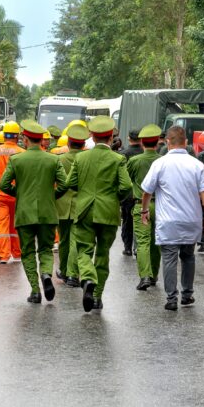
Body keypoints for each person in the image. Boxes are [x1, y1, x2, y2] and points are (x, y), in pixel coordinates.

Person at [57, 115, 133, 312]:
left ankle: (88, 278)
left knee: (83, 250)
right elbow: (126, 187)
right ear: (111, 137)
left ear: (92, 137)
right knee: (103, 253)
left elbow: (70, 183)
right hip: (108, 212)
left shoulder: (81, 157)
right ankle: (97, 296)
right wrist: (114, 198)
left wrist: (84, 191)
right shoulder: (118, 159)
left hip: (84, 211)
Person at [140, 126, 204, 311]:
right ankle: (187, 295)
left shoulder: (160, 164)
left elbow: (147, 191)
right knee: (188, 256)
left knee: (169, 259)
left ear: (167, 142)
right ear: (186, 142)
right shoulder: (197, 164)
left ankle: (171, 298)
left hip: (168, 221)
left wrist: (144, 210)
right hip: (191, 220)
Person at [0, 120, 64, 304]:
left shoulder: (16, 160)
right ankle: (46, 274)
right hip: (47, 213)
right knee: (45, 249)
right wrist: (52, 196)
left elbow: (3, 184)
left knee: (27, 252)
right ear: (41, 140)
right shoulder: (53, 159)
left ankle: (35, 291)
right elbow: (65, 184)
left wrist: (19, 194)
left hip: (25, 213)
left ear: (25, 140)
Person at [127, 125, 163, 291]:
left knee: (142, 242)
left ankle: (145, 276)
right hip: (161, 206)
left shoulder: (134, 161)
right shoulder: (163, 161)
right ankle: (154, 275)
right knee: (156, 242)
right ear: (158, 142)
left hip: (141, 205)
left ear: (142, 142)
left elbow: (127, 181)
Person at [54, 123, 89, 287]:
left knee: (63, 240)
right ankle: (73, 274)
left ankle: (64, 270)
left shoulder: (59, 159)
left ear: (68, 143)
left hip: (61, 204)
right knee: (76, 240)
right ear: (84, 144)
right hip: (81, 205)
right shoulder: (87, 159)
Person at [0, 122, 24, 264]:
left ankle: (3, 255)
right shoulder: (22, 152)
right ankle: (17, 254)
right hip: (16, 195)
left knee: (2, 225)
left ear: (4, 135)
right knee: (15, 225)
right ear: (17, 136)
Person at [119, 130, 141, 256]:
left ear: (128, 138)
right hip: (142, 193)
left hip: (128, 194)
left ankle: (127, 247)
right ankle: (139, 247)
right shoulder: (144, 152)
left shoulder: (123, 154)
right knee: (141, 220)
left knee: (127, 220)